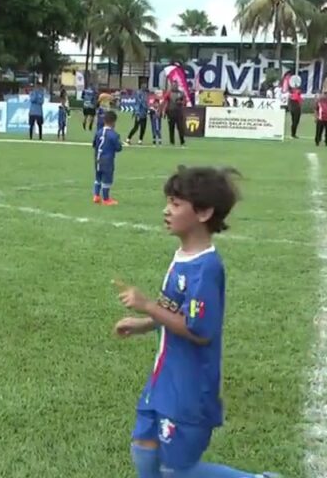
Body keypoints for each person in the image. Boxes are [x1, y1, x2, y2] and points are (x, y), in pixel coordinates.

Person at [113, 166, 279, 478]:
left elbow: (199, 331)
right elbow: (174, 310)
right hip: (164, 378)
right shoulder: (183, 255)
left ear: (203, 213)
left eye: (175, 204)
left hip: (188, 388)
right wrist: (144, 323)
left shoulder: (206, 268)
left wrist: (147, 304)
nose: (166, 210)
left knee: (177, 471)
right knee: (143, 447)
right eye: (168, 202)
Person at [92, 110, 122, 205]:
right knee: (107, 179)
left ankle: (96, 196)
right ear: (113, 122)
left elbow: (94, 144)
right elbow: (118, 148)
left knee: (98, 177)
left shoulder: (99, 132)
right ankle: (106, 199)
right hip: (107, 160)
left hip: (97, 158)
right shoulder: (114, 135)